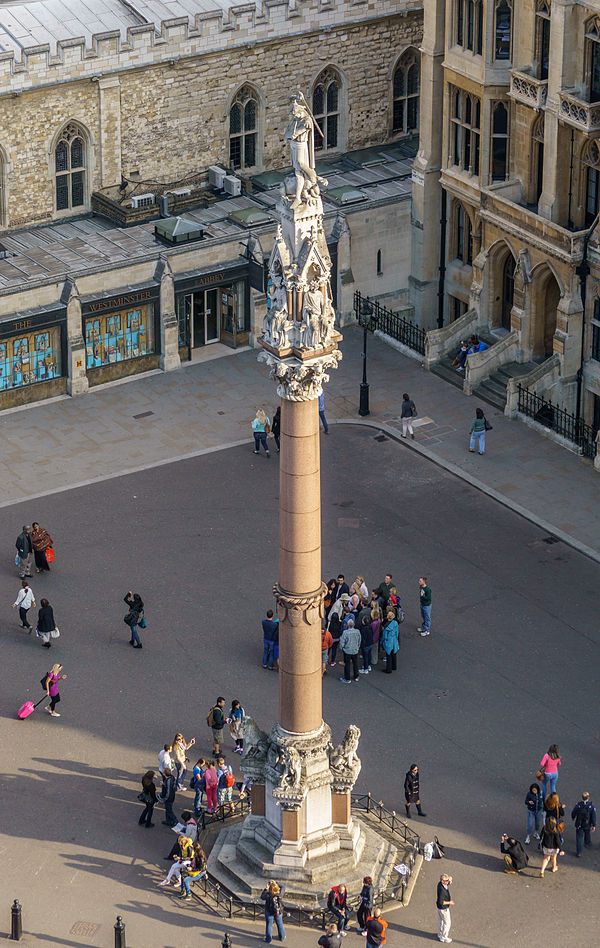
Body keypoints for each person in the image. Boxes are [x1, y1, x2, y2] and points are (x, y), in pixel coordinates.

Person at [571, 792, 596, 857]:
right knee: (587, 833)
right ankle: (587, 843)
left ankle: (579, 852)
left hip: (579, 824)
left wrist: (573, 817)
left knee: (579, 838)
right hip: (587, 824)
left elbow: (573, 812)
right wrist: (593, 825)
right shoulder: (591, 807)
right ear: (588, 797)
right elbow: (593, 816)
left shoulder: (578, 806)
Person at [339, 618, 361, 683]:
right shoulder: (357, 631)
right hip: (355, 650)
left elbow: (342, 642)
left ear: (348, 625)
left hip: (347, 651)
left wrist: (341, 648)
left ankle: (347, 678)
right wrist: (358, 647)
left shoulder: (345, 632)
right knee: (355, 664)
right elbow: (359, 640)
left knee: (347, 664)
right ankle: (356, 676)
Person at [436, 873, 454, 944]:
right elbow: (441, 902)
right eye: (446, 881)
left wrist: (450, 879)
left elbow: (448, 883)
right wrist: (449, 902)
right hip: (444, 908)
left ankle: (440, 934)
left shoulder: (440, 884)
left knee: (441, 920)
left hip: (439, 908)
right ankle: (444, 937)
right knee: (447, 923)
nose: (448, 882)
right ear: (442, 881)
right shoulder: (442, 891)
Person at [381, 609, 399, 674]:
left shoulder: (386, 627)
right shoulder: (395, 623)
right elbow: (397, 632)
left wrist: (382, 642)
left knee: (388, 655)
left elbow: (384, 637)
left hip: (388, 641)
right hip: (394, 640)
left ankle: (388, 669)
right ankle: (394, 666)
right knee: (394, 653)